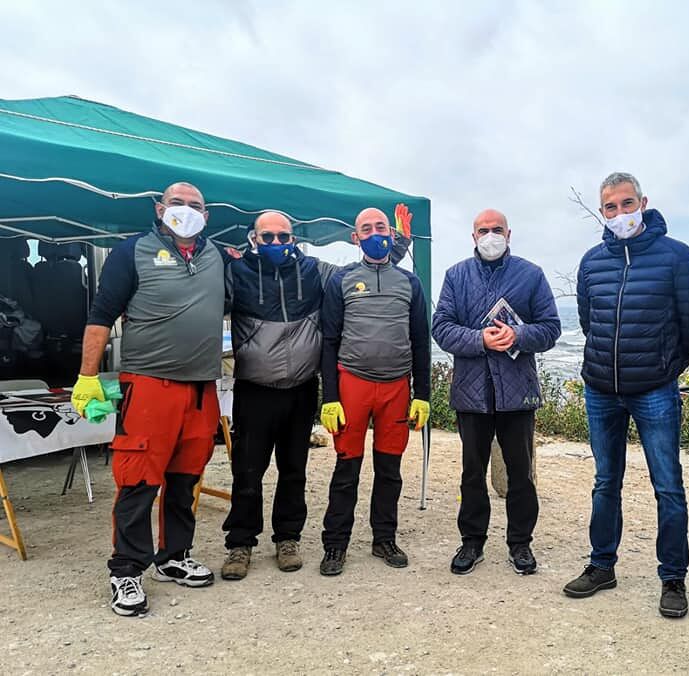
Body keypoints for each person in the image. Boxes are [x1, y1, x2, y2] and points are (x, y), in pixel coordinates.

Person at [220, 210, 410, 580]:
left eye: (283, 236)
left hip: (301, 388)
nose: (276, 243)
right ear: (254, 239)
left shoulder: (315, 271)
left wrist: (397, 245)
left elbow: (364, 273)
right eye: (268, 237)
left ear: (294, 239)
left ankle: (287, 539)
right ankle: (240, 543)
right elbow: (205, 296)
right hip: (255, 388)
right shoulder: (237, 273)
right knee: (247, 471)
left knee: (294, 470)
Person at [71, 182, 227, 616]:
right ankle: (126, 570)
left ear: (206, 216)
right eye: (177, 203)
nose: (186, 210)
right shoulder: (132, 252)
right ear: (160, 209)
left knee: (185, 478)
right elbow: (101, 316)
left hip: (201, 388)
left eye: (195, 205)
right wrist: (86, 376)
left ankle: (174, 556)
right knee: (139, 480)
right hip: (149, 385)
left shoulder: (217, 256)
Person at [564, 172, 689, 620]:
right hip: (601, 389)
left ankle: (673, 577)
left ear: (643, 203)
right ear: (602, 211)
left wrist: (663, 369)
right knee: (605, 482)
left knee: (668, 485)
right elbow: (589, 321)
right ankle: (601, 565)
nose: (620, 213)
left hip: (654, 391)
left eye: (627, 204)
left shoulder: (677, 256)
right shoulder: (591, 262)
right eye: (611, 207)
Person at [432, 208, 561, 576]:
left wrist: (518, 335)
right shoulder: (456, 275)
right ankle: (472, 542)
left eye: (497, 229)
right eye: (483, 230)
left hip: (517, 392)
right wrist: (480, 339)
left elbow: (551, 328)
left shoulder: (531, 275)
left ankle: (520, 543)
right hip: (470, 392)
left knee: (521, 473)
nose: (491, 236)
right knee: (471, 472)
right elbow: (441, 328)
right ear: (473, 236)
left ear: (509, 233)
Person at [317, 206, 430, 576]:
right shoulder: (342, 280)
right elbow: (329, 340)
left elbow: (420, 341)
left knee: (390, 469)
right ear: (356, 237)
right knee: (346, 469)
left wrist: (423, 394)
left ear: (391, 233)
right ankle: (335, 545)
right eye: (366, 229)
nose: (374, 233)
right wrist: (329, 397)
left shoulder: (409, 283)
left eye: (381, 227)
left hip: (396, 387)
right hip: (353, 383)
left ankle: (384, 539)